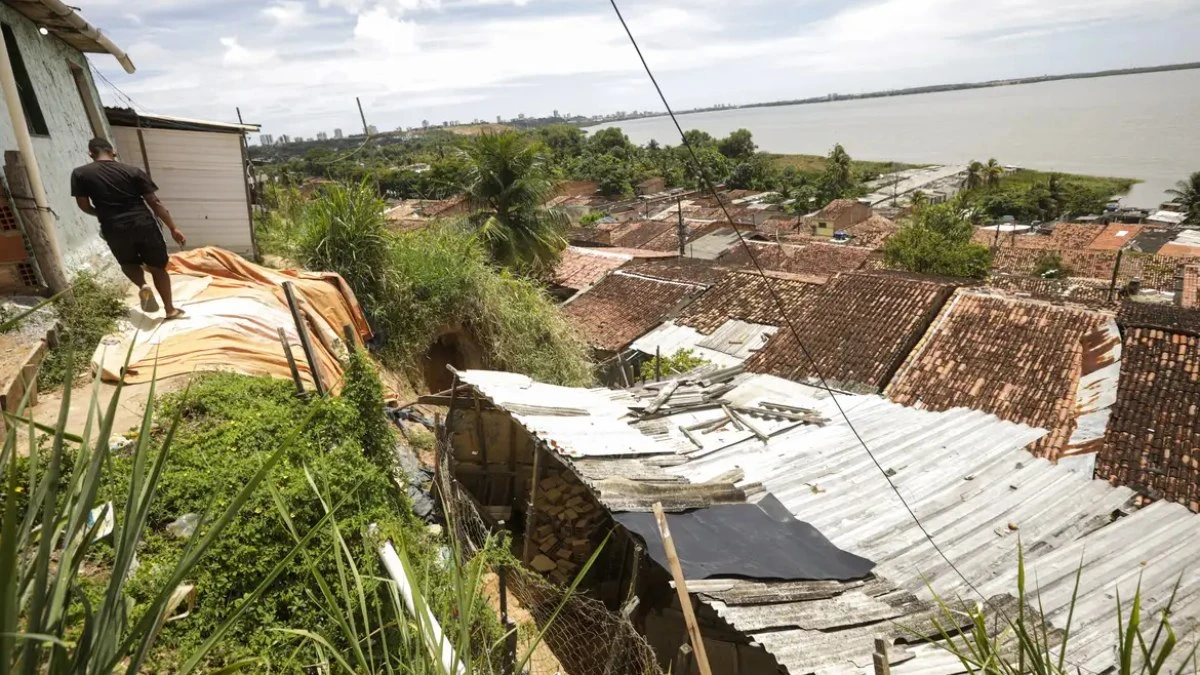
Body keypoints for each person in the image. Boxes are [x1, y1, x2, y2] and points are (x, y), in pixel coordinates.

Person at [70, 137, 187, 319]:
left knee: (128, 263)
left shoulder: (80, 174)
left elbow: (84, 206)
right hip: (143, 223)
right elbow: (154, 202)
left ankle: (142, 285)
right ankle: (170, 309)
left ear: (90, 154)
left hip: (113, 226)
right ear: (113, 152)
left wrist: (103, 214)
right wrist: (173, 228)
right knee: (157, 267)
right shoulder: (133, 171)